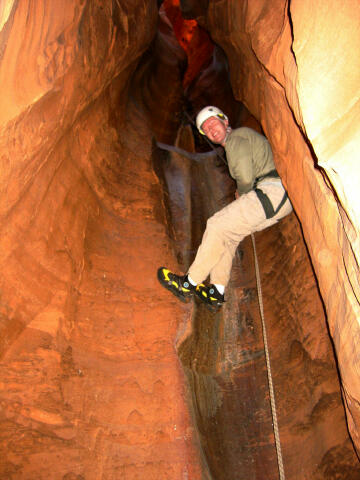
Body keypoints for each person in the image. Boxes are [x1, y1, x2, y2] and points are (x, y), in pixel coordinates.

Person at [157, 106, 292, 311]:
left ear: (225, 121)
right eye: (205, 128)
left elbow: (245, 176)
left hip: (270, 193)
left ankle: (188, 284)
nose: (210, 128)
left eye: (213, 122)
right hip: (279, 201)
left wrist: (244, 193)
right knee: (229, 236)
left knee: (216, 224)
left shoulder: (236, 138)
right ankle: (216, 291)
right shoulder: (239, 141)